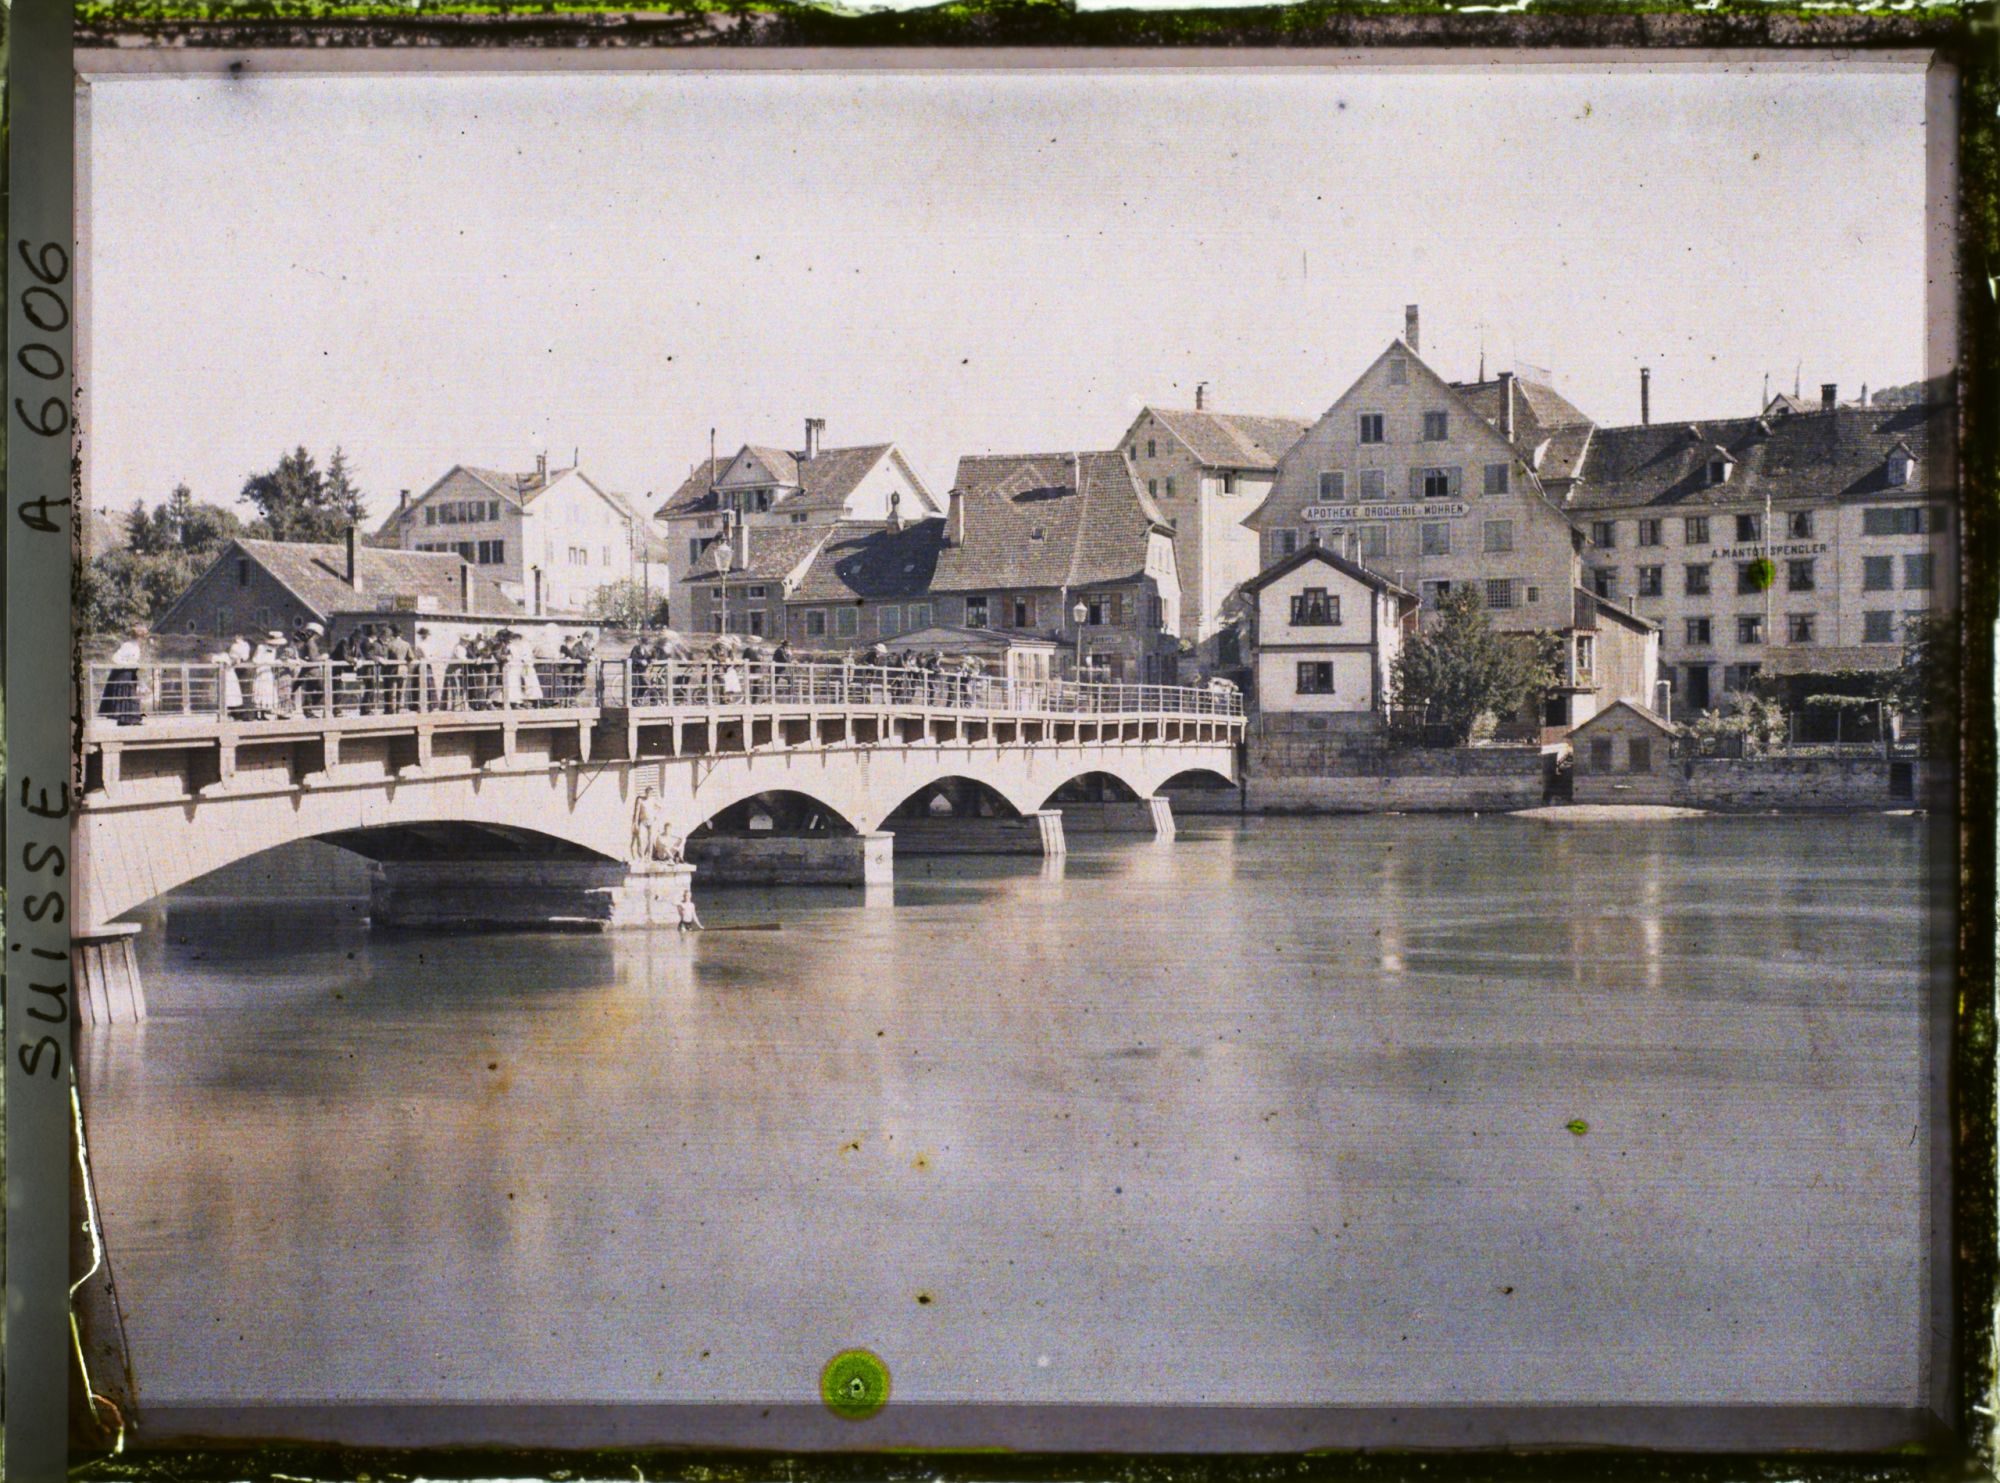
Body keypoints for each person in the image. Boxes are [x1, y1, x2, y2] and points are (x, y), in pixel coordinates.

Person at [99, 625, 147, 726]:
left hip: (131, 674)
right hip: (124, 674)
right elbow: (115, 658)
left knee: (130, 695)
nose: (143, 639)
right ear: (139, 636)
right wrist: (129, 664)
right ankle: (126, 719)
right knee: (126, 694)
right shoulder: (127, 645)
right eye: (142, 636)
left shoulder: (136, 646)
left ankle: (130, 719)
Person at [250, 630, 283, 718]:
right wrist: (270, 662)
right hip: (261, 672)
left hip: (268, 673)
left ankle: (264, 713)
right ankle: (257, 714)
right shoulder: (261, 647)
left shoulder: (273, 650)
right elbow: (255, 660)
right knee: (260, 691)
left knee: (267, 692)